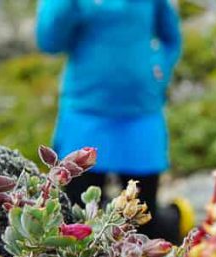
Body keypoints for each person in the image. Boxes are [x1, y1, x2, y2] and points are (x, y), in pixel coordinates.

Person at [36, 0, 182, 239]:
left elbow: (171, 37)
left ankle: (175, 221)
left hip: (141, 116)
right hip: (85, 116)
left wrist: (158, 69)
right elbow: (49, 41)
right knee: (75, 215)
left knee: (142, 219)